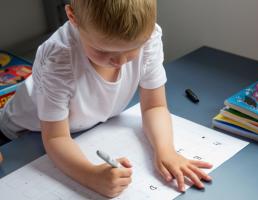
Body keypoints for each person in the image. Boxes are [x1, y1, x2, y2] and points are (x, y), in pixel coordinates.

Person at [0, 0, 213, 198]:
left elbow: (154, 106)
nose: (120, 61)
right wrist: (90, 175)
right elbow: (55, 138)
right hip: (22, 135)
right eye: (104, 50)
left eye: (131, 49)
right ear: (72, 17)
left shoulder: (147, 37)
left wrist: (166, 151)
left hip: (86, 126)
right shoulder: (59, 57)